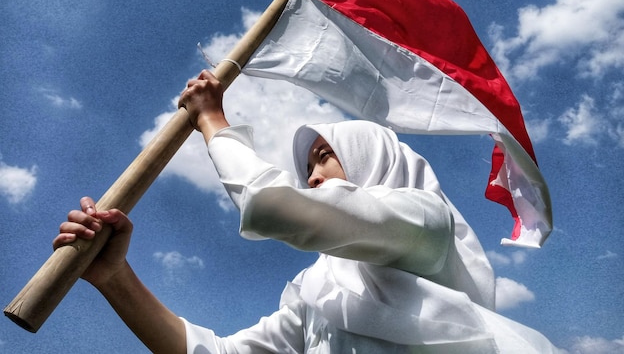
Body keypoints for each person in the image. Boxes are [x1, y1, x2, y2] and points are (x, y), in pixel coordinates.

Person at [54, 70, 561, 353]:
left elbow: (276, 205)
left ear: (374, 159)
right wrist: (115, 277)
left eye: (324, 158)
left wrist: (212, 121)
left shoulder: (425, 224)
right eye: (307, 172)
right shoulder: (315, 292)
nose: (312, 178)